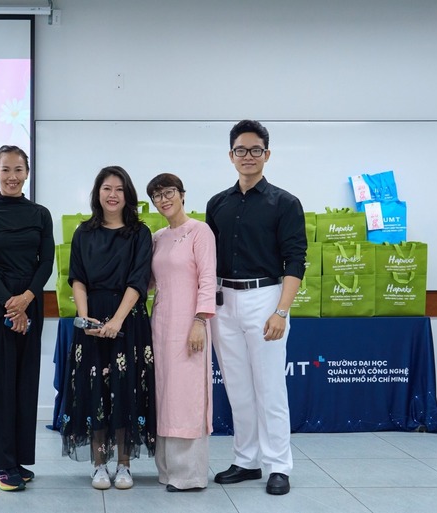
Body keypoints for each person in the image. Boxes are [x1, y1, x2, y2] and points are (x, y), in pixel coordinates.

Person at [205, 119, 307, 496]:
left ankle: (278, 464)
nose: (247, 156)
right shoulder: (217, 204)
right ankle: (246, 460)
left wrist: (281, 311)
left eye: (255, 150)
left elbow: (295, 260)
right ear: (231, 155)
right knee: (237, 387)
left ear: (267, 154)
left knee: (270, 387)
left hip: (266, 298)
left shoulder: (285, 203)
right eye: (240, 150)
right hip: (224, 300)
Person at [60, 165, 156, 491]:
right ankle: (99, 464)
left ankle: (124, 464)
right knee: (94, 391)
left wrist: (117, 320)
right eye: (106, 188)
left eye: (119, 189)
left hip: (128, 317)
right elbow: (77, 279)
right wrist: (85, 319)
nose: (113, 195)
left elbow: (138, 280)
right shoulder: (83, 232)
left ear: (128, 195)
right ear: (97, 193)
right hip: (91, 317)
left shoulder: (140, 233)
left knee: (126, 389)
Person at [0, 145, 55, 492]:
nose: (12, 176)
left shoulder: (40, 214)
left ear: (27, 173)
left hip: (30, 302)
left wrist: (27, 299)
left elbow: (46, 262)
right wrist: (11, 303)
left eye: (19, 169)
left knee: (24, 381)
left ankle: (16, 458)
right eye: (5, 169)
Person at [146, 173, 216, 492]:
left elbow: (207, 279)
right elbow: (149, 281)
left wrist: (200, 320)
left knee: (187, 395)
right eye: (157, 195)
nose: (164, 199)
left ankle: (189, 474)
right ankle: (167, 470)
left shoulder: (200, 231)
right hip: (160, 325)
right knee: (165, 395)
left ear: (182, 194)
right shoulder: (158, 237)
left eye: (169, 192)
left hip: (190, 325)